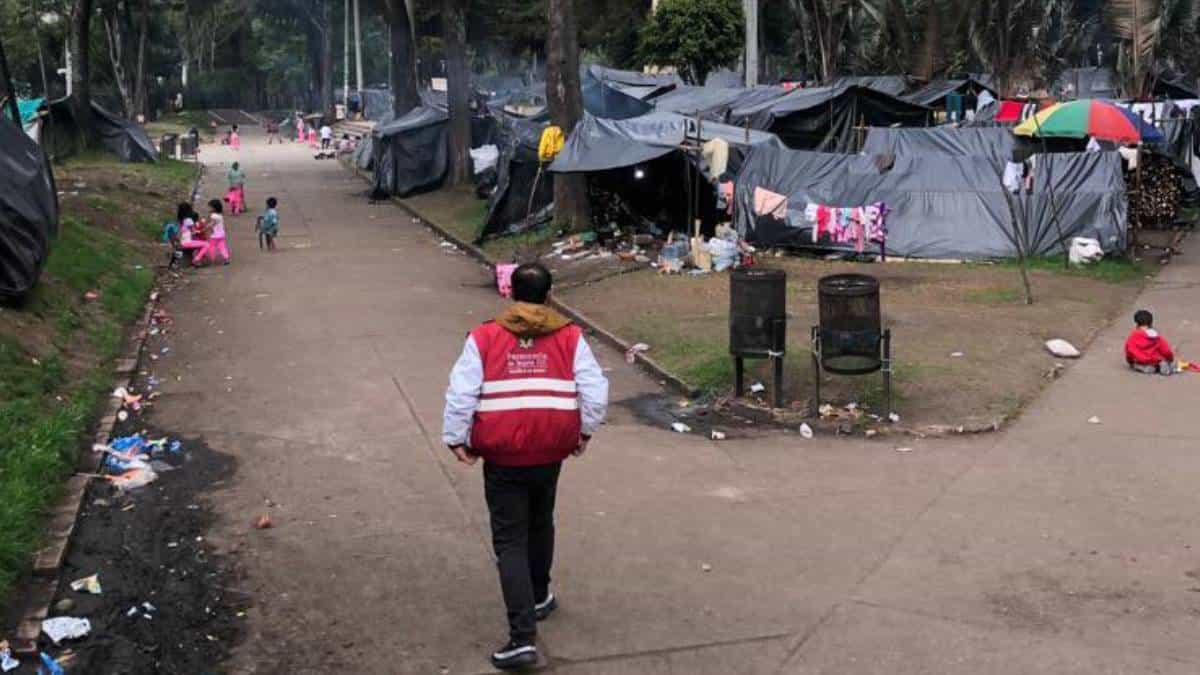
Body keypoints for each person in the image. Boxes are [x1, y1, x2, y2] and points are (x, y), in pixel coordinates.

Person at [442, 263, 609, 670]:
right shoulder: (571, 336)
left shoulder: (483, 337)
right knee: (540, 520)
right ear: (549, 296)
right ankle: (539, 596)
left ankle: (521, 638)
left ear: (509, 293)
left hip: (502, 456)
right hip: (550, 451)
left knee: (510, 539)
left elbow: (462, 393)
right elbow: (594, 390)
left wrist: (455, 438)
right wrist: (584, 433)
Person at [1125, 309, 1175, 375]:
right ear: (1151, 323)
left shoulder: (1132, 337)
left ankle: (1148, 368)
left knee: (1137, 365)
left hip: (1142, 361)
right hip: (1155, 359)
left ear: (1137, 323)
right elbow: (1166, 350)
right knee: (1161, 360)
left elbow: (1129, 350)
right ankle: (1161, 365)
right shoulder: (1155, 336)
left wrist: (1130, 361)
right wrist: (1170, 359)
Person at [198, 199, 230, 265]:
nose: (209, 208)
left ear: (214, 208)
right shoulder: (220, 215)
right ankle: (226, 258)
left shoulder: (213, 216)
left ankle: (212, 259)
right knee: (222, 247)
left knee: (211, 247)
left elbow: (210, 224)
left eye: (210, 207)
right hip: (221, 234)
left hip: (215, 235)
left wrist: (204, 228)